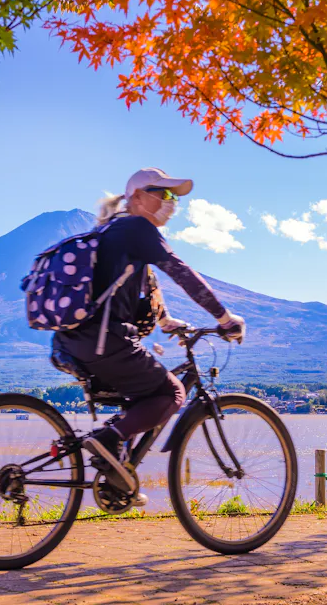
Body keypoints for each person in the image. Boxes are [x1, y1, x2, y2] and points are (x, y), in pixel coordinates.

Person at [52, 167, 245, 492]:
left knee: (141, 397)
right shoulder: (137, 227)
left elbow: (145, 284)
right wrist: (224, 318)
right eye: (165, 194)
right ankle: (109, 440)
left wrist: (166, 322)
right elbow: (181, 271)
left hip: (72, 343)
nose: (171, 202)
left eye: (174, 197)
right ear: (139, 197)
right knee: (173, 393)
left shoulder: (113, 230)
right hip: (106, 342)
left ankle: (116, 478)